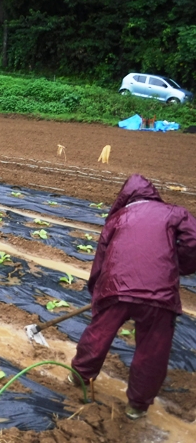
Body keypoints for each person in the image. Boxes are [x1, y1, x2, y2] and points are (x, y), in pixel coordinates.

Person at [69, 174, 196, 420]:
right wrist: (177, 264)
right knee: (153, 349)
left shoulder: (118, 218)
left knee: (98, 333)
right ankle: (137, 406)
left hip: (116, 287)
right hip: (160, 294)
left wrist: (97, 292)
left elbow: (101, 258)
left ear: (125, 197)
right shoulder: (174, 212)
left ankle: (80, 376)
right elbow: (194, 241)